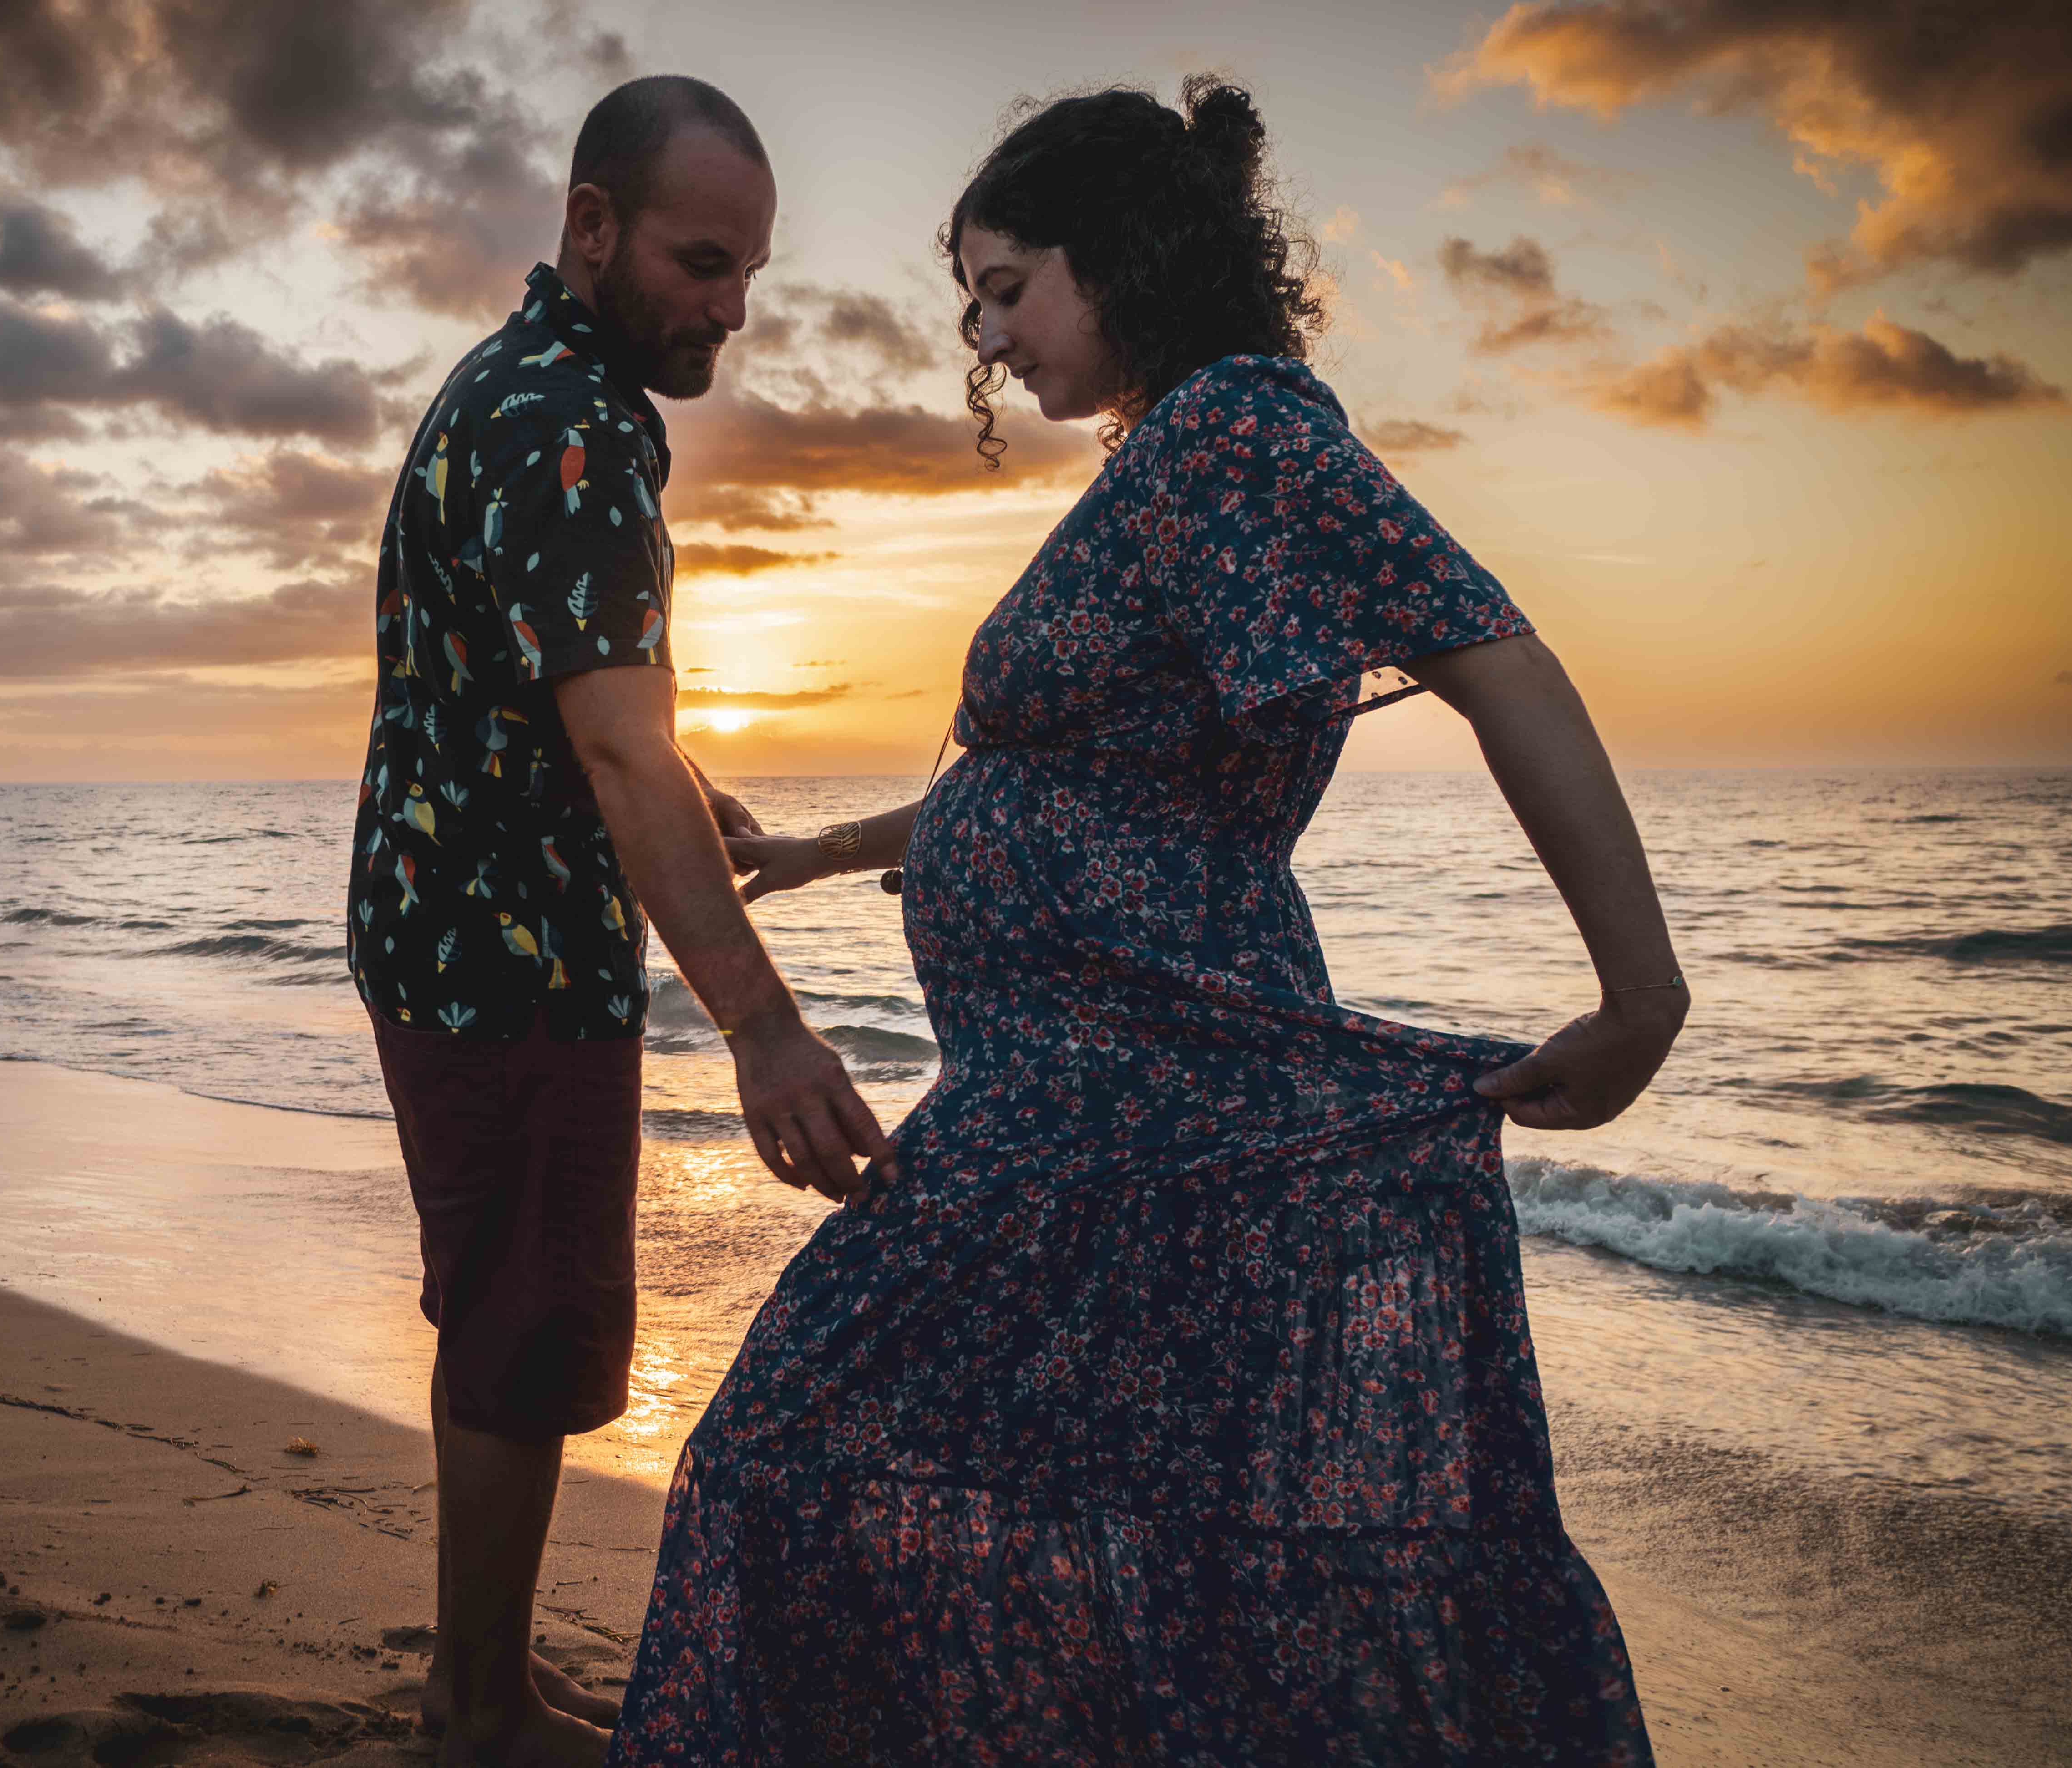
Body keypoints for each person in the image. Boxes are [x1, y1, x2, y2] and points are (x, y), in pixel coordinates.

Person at [606, 78, 1679, 1766]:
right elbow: (1093, 779)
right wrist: (820, 852)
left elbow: (1498, 658)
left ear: (1127, 257)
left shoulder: (1241, 433)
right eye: (974, 297)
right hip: (1070, 1098)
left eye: (1009, 286)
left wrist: (1642, 993)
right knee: (1139, 1523)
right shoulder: (1183, 455)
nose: (986, 334)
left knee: (791, 1447)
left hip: (1142, 1093)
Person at [346, 74, 892, 1768]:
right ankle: (480, 1711)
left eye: (750, 276)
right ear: (591, 227)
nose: (729, 310)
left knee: (503, 1306)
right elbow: (599, 732)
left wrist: (682, 774)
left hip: (449, 925)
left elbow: (589, 695)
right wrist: (767, 1024)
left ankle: (478, 1680)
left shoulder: (528, 385)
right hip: (498, 952)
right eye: (700, 261)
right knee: (521, 1325)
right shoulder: (568, 417)